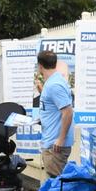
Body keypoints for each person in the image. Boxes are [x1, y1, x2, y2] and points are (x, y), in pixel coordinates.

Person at [37, 49, 74, 178]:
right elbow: (56, 109)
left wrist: (60, 139)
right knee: (52, 187)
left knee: (55, 189)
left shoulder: (54, 85)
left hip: (55, 146)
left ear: (40, 66)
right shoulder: (54, 81)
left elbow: (68, 112)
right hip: (52, 142)